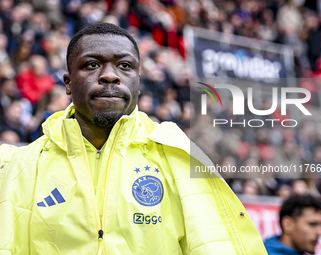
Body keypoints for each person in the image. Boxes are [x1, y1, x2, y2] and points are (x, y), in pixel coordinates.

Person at [0, 23, 267, 255]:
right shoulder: (20, 167)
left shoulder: (178, 156)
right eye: (92, 65)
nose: (109, 75)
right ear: (68, 82)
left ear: (138, 80)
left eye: (124, 65)